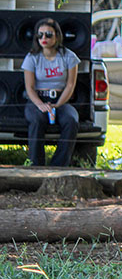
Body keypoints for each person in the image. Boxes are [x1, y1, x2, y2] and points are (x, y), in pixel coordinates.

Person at [22, 18, 80, 167]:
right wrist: (40, 105)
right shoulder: (32, 57)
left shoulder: (69, 56)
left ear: (57, 36)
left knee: (71, 120)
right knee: (37, 120)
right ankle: (36, 167)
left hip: (61, 100)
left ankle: (59, 166)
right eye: (40, 35)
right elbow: (29, 87)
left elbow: (70, 84)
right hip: (38, 100)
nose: (44, 39)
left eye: (48, 34)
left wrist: (57, 105)